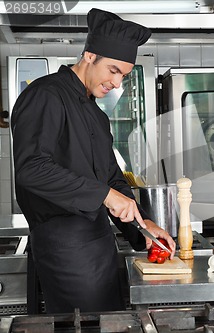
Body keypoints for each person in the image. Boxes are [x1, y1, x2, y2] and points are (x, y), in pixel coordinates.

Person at [11, 8, 176, 314]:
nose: (117, 83)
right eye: (113, 70)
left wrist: (144, 225)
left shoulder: (97, 116)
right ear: (89, 55)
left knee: (111, 322)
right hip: (64, 250)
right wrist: (104, 195)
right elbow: (31, 169)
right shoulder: (45, 95)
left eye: (124, 75)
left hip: (100, 248)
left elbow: (112, 179)